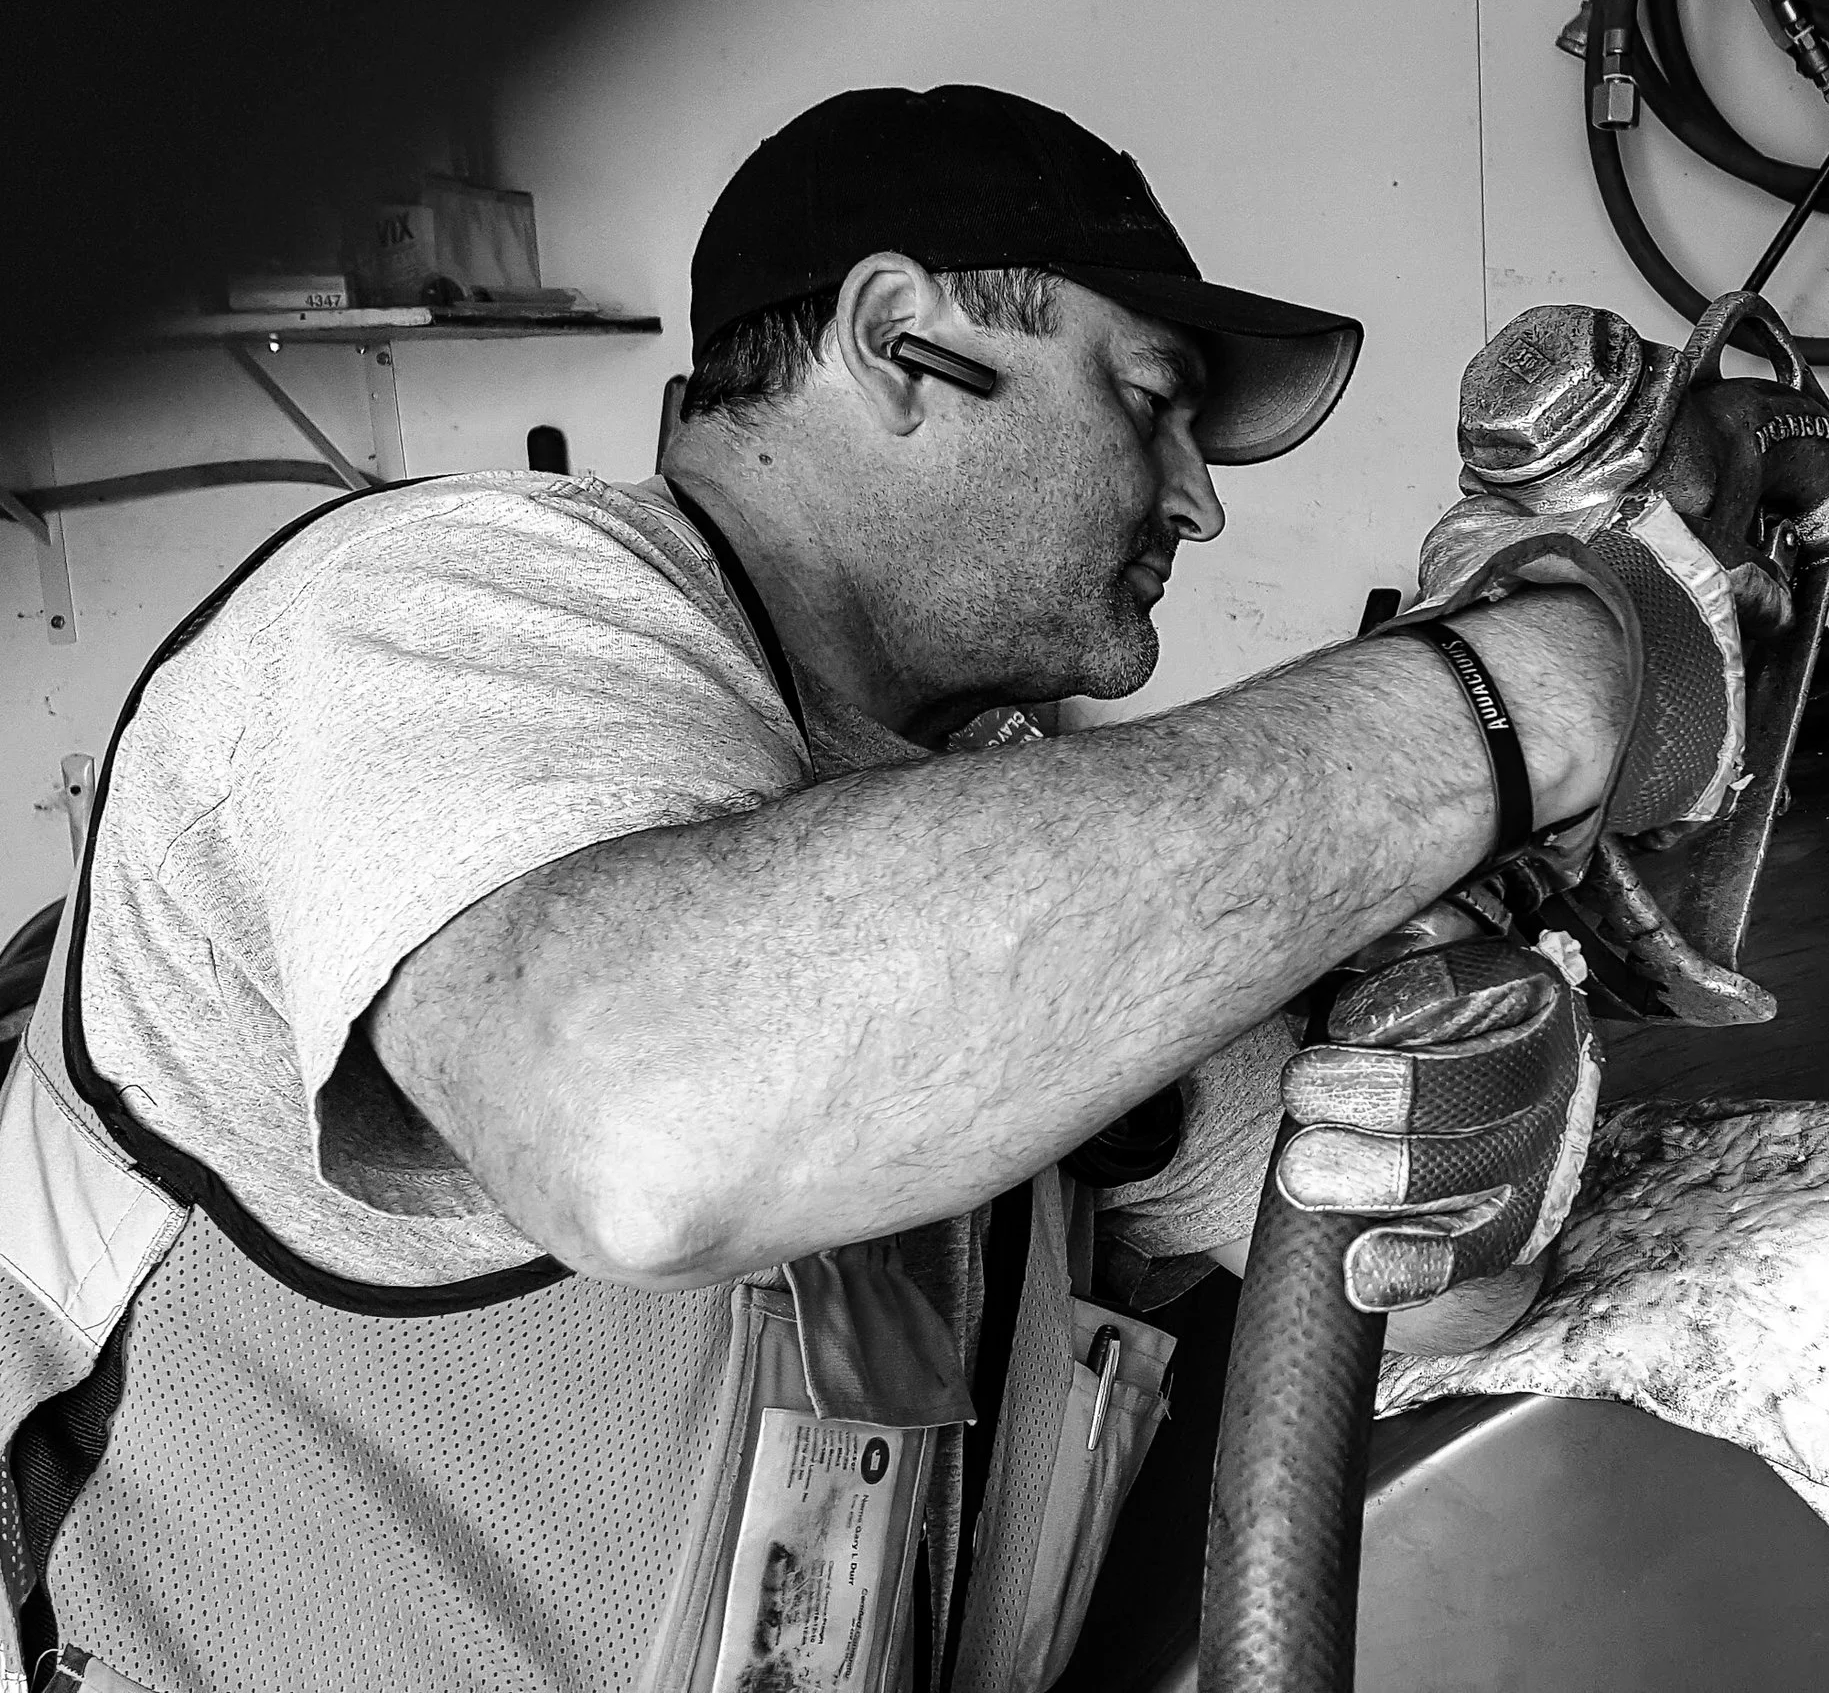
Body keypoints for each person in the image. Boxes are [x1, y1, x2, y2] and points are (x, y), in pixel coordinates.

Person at [0, 85, 1740, 1693]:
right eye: (1149, 399)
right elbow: (647, 1122)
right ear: (902, 341)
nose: (1200, 501)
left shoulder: (983, 848)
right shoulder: (437, 608)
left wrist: (1472, 1148)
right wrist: (1513, 697)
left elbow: (1414, 1294)